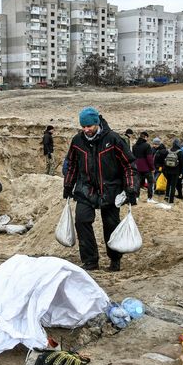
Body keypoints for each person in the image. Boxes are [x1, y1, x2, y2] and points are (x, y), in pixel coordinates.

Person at [63, 107, 138, 272]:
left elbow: (129, 165)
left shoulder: (113, 140)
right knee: (82, 221)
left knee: (111, 225)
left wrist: (131, 188)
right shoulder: (77, 141)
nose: (86, 130)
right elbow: (72, 165)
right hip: (85, 189)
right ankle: (90, 261)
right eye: (83, 126)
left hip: (110, 189)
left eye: (89, 126)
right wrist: (68, 185)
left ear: (96, 123)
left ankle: (115, 260)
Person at [132, 131, 156, 203]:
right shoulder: (147, 146)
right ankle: (149, 198)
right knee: (150, 183)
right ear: (145, 137)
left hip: (137, 168)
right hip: (146, 168)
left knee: (137, 183)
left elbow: (133, 157)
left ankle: (136, 197)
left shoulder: (134, 146)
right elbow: (149, 158)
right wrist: (152, 168)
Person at [163, 139, 183, 203]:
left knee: (168, 184)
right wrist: (181, 172)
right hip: (176, 171)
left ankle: (166, 197)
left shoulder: (168, 151)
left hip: (168, 171)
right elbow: (182, 164)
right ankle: (171, 200)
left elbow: (164, 161)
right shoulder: (180, 152)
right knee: (173, 185)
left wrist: (165, 170)